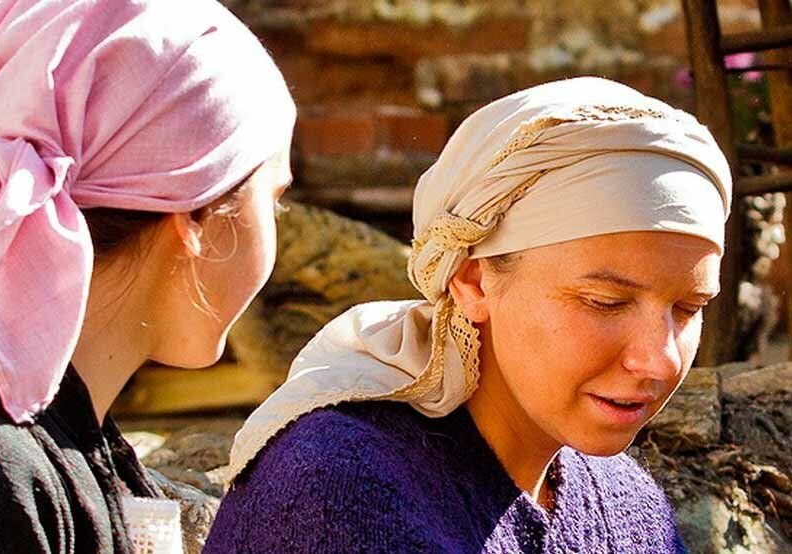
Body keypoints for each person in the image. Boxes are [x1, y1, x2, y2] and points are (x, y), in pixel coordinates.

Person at [205, 77, 731, 553]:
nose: (660, 361)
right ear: (472, 280)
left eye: (689, 308)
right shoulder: (339, 490)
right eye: (604, 302)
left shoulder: (628, 506)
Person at [0, 0, 295, 552]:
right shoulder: (12, 478)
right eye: (274, 200)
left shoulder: (73, 454)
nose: (277, 224)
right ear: (198, 215)